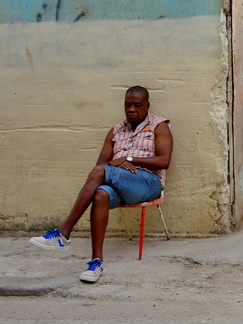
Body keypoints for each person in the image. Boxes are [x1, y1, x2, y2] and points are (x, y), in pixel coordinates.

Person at [30, 86, 172, 283]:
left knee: (100, 173)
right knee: (101, 194)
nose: (131, 109)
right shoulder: (116, 131)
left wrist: (127, 157)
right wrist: (116, 165)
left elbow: (164, 161)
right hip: (120, 185)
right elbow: (102, 166)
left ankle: (64, 233)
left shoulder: (159, 125)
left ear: (147, 106)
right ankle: (96, 262)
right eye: (127, 105)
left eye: (137, 105)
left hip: (148, 183)